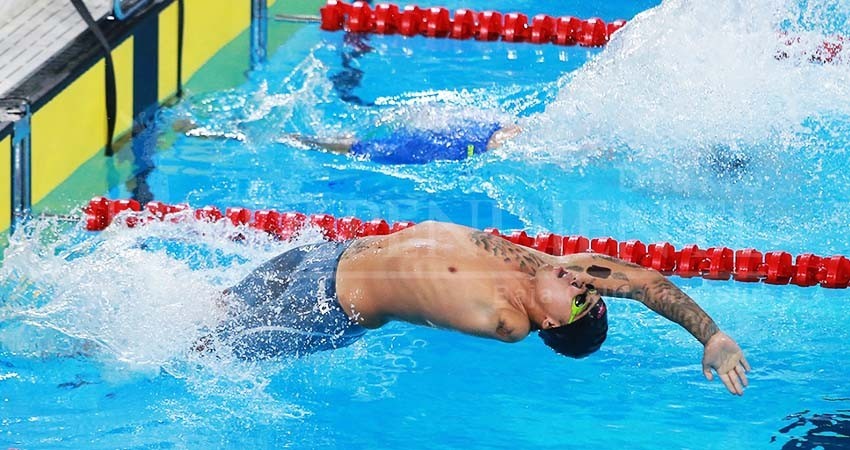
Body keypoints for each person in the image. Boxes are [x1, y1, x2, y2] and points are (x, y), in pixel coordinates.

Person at [212, 221, 750, 396]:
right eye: (588, 288)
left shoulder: (507, 319)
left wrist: (579, 304)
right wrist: (712, 335)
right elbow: (646, 281)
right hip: (324, 254)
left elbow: (587, 304)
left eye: (579, 296)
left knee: (205, 349)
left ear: (547, 322)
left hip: (324, 307)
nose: (581, 281)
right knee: (212, 309)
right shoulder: (540, 267)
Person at [283, 123, 522, 164]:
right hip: (420, 147)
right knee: (356, 149)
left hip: (434, 141)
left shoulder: (485, 130)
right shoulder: (479, 139)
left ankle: (298, 138)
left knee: (357, 148)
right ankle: (297, 139)